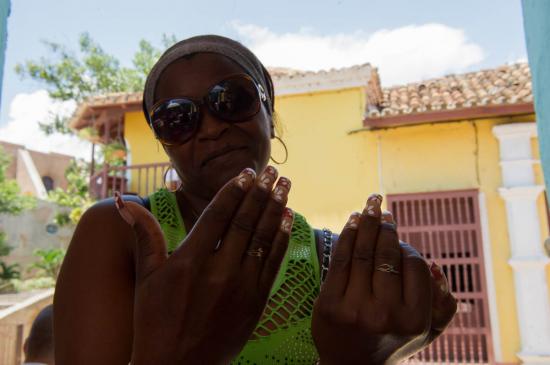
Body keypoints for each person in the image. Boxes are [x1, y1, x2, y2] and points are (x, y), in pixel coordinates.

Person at [54, 35, 457, 364]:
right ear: (165, 145)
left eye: (232, 99)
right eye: (176, 119)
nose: (211, 128)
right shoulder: (120, 231)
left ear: (269, 112)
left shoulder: (335, 265)